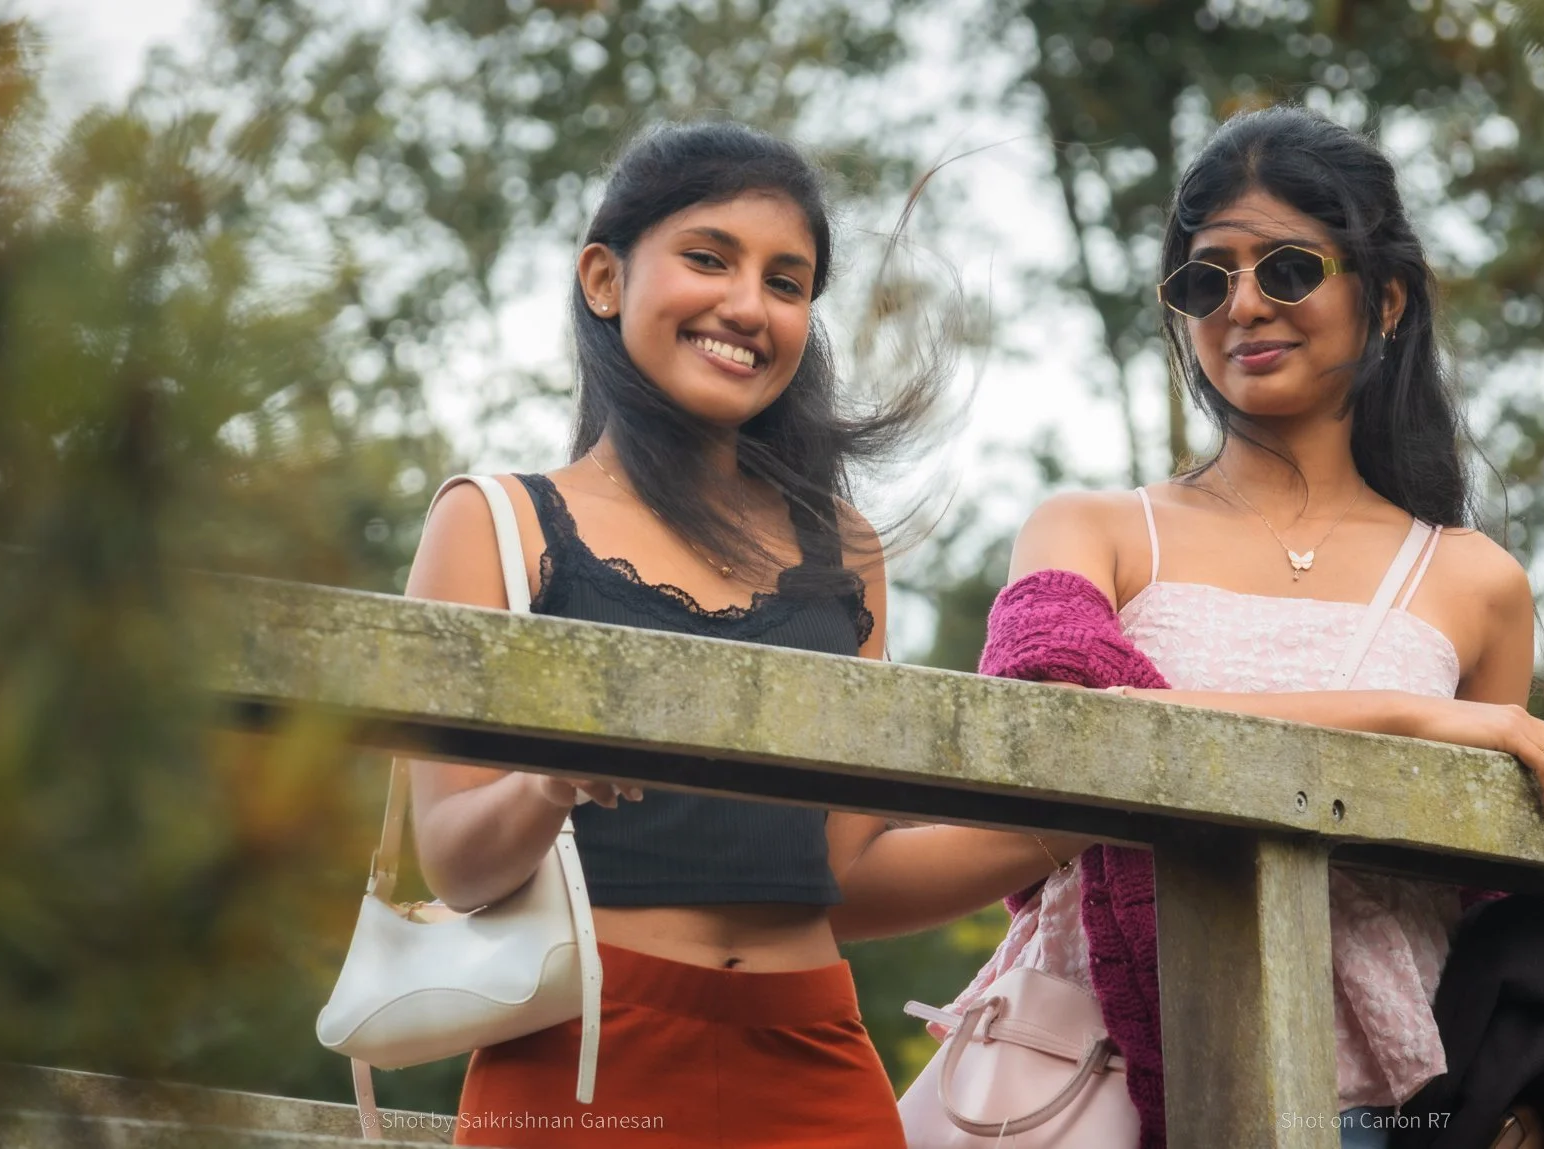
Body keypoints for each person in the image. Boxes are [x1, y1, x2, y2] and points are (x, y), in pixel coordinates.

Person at [935, 105, 1544, 1149]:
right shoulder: (1095, 530)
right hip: (1088, 1079)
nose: (1243, 305)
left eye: (1287, 269)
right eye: (1206, 280)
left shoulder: (1474, 581)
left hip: (1369, 1107)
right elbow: (1070, 733)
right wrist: (1408, 717)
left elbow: (1486, 900)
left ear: (1381, 297)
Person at [398, 121, 1062, 1148]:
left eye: (786, 282)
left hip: (810, 1063)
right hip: (577, 1062)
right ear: (604, 279)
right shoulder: (492, 521)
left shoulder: (845, 551)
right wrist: (548, 782)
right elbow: (453, 866)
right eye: (708, 258)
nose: (747, 306)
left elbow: (842, 874)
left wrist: (1063, 831)